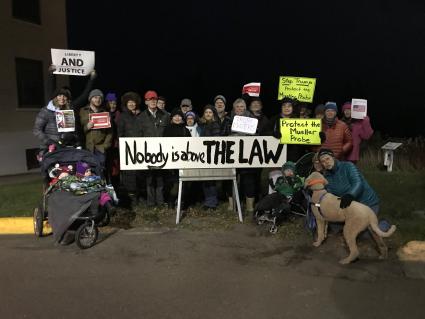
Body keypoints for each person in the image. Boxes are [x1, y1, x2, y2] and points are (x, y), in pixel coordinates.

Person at [317, 148, 389, 232]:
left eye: (327, 158)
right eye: (323, 161)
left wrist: (350, 195)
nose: (326, 162)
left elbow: (358, 183)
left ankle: (383, 223)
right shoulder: (327, 177)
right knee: (337, 228)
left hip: (366, 203)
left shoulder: (348, 166)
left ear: (333, 157)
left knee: (365, 232)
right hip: (349, 207)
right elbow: (329, 193)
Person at [33, 66, 97, 156]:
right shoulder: (46, 111)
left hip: (69, 147)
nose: (62, 98)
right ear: (55, 97)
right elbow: (37, 131)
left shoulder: (70, 108)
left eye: (65, 96)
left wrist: (92, 78)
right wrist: (50, 142)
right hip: (51, 149)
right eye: (59, 95)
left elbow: (84, 95)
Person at [140, 90, 170, 207]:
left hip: (162, 151)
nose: (153, 101)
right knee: (149, 177)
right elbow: (138, 135)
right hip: (148, 152)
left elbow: (168, 133)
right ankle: (151, 202)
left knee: (160, 177)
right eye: (150, 99)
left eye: (154, 99)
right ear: (146, 102)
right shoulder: (141, 117)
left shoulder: (165, 115)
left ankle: (161, 201)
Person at [117, 92, 145, 207]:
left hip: (141, 148)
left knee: (140, 172)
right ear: (126, 104)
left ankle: (140, 195)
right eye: (130, 102)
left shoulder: (141, 115)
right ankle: (132, 198)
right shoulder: (123, 116)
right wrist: (122, 147)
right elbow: (120, 133)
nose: (132, 104)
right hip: (128, 148)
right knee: (130, 174)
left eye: (133, 102)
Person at [163, 108, 191, 208]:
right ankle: (170, 200)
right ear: (172, 118)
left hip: (183, 160)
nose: (177, 118)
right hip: (170, 161)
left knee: (183, 183)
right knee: (173, 182)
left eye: (179, 116)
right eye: (175, 116)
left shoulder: (186, 130)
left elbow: (190, 145)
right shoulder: (167, 129)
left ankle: (181, 201)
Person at [79, 89, 113, 171]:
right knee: (87, 171)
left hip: (100, 148)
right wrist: (87, 127)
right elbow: (78, 129)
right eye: (95, 97)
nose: (98, 100)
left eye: (100, 98)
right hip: (87, 148)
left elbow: (110, 132)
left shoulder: (105, 113)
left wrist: (105, 146)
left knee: (100, 170)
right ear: (90, 99)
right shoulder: (82, 111)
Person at [198, 105, 221, 209]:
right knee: (205, 179)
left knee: (211, 179)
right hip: (202, 155)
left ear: (213, 115)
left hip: (211, 155)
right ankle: (208, 201)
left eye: (210, 112)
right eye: (206, 112)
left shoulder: (215, 124)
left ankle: (212, 202)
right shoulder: (201, 125)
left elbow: (216, 140)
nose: (208, 114)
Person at [269, 97, 306, 162]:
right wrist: (273, 134)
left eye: (289, 106)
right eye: (284, 106)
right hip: (276, 156)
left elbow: (305, 137)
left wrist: (317, 137)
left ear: (292, 108)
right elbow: (263, 133)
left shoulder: (297, 121)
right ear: (281, 108)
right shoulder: (274, 119)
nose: (286, 108)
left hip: (293, 157)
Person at [104, 92, 121, 187]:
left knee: (115, 168)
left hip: (116, 145)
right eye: (111, 103)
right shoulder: (103, 114)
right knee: (106, 166)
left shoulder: (119, 114)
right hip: (106, 145)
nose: (113, 105)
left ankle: (116, 186)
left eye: (114, 103)